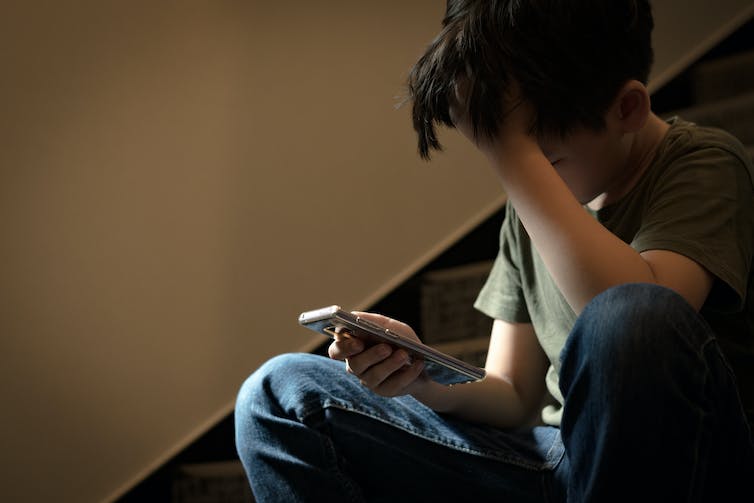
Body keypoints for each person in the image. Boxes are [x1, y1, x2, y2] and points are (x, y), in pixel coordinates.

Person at [235, 0, 754, 500]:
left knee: (630, 317)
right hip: (557, 457)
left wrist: (512, 152)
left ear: (627, 109)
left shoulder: (704, 163)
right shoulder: (528, 209)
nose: (522, 184)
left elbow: (642, 312)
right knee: (278, 394)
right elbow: (514, 394)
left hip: (687, 461)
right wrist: (421, 379)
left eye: (542, 161)